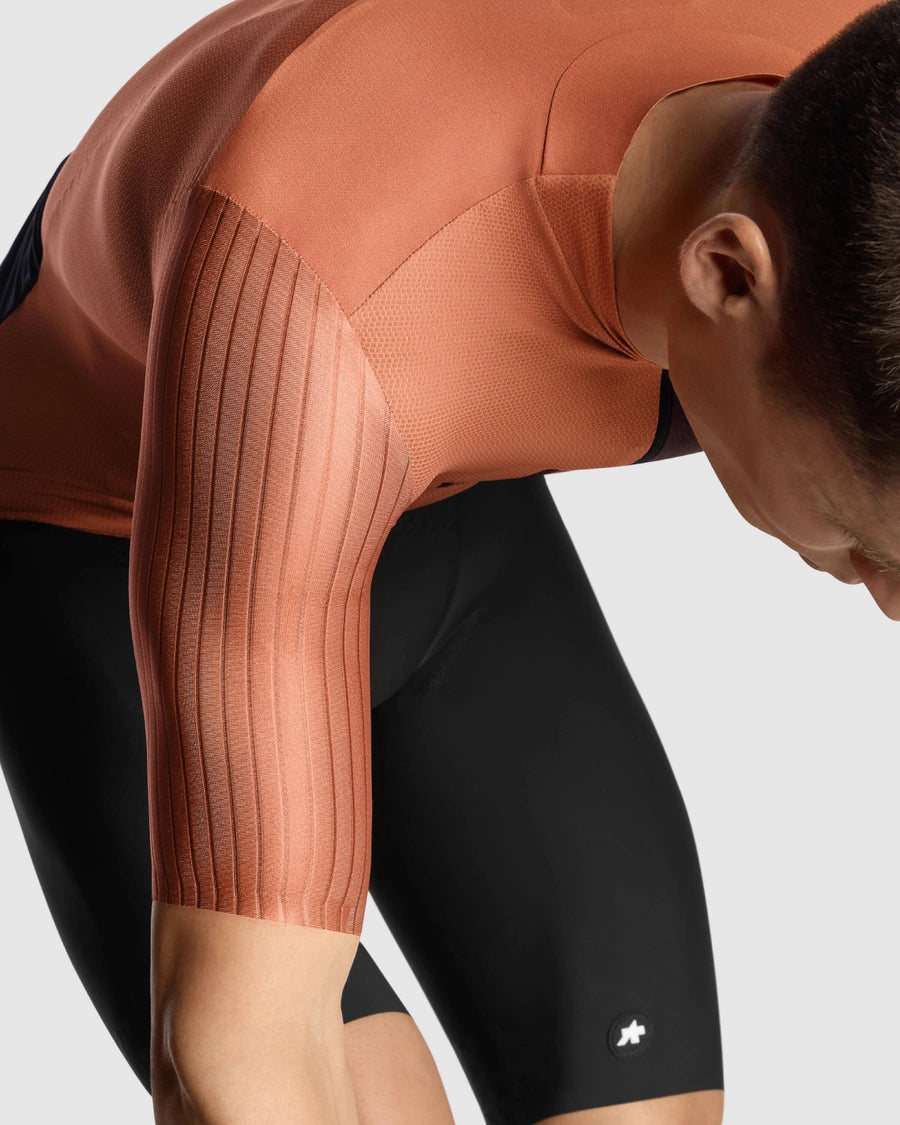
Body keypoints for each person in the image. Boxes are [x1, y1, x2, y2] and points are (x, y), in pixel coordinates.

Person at [1, 1, 898, 1122]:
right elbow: (238, 1056)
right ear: (724, 273)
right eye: (870, 546)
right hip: (115, 539)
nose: (889, 606)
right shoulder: (324, 299)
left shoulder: (860, 91)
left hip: (436, 495)